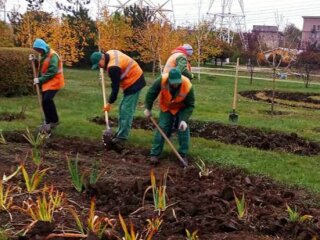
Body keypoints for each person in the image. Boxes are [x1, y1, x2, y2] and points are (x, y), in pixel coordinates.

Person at [90, 50, 146, 147]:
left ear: (102, 58)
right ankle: (119, 133)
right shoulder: (110, 53)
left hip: (135, 81)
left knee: (126, 111)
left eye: (99, 64)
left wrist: (109, 103)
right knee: (122, 108)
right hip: (131, 79)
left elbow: (115, 89)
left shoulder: (113, 68)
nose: (100, 67)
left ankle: (122, 137)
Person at [144, 68, 195, 165]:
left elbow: (190, 105)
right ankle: (154, 154)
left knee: (183, 128)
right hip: (166, 107)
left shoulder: (187, 85)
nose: (176, 85)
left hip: (181, 107)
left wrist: (184, 120)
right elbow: (151, 93)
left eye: (177, 82)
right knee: (162, 127)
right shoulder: (161, 80)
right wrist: (148, 108)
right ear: (169, 80)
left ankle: (183, 155)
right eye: (173, 83)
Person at [32, 38, 64, 133]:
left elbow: (53, 71)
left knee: (47, 99)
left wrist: (40, 80)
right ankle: (47, 121)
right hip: (47, 82)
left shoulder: (53, 55)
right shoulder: (43, 54)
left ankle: (54, 121)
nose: (38, 51)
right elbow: (43, 67)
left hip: (55, 81)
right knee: (44, 101)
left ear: (43, 48)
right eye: (36, 50)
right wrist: (35, 61)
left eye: (39, 50)